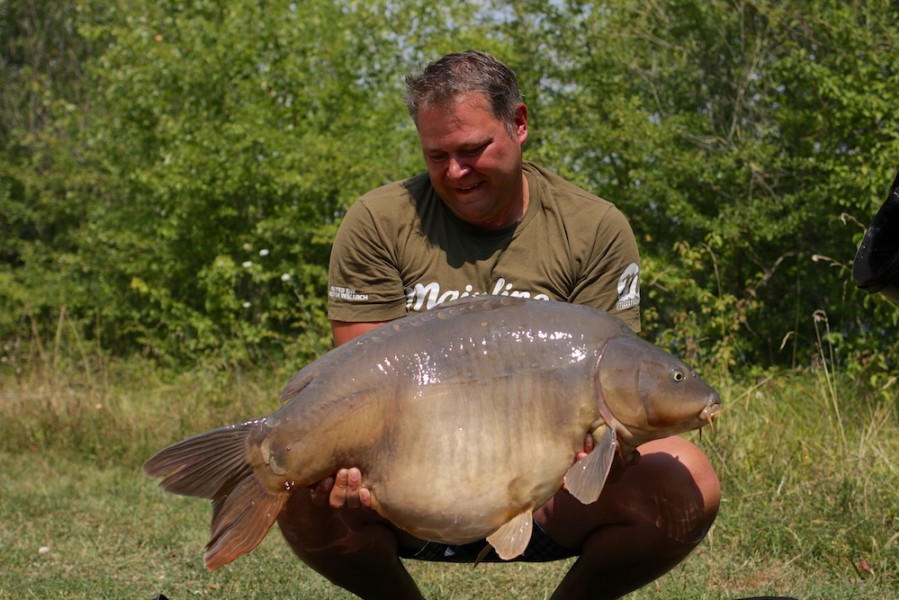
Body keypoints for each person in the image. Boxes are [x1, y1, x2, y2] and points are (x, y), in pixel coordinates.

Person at [276, 50, 720, 600]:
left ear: (520, 124)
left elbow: (620, 391)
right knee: (296, 481)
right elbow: (357, 388)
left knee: (687, 476)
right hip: (407, 486)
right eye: (437, 155)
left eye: (472, 149)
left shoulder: (593, 228)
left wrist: (602, 447)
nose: (456, 172)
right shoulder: (379, 222)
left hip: (548, 490)